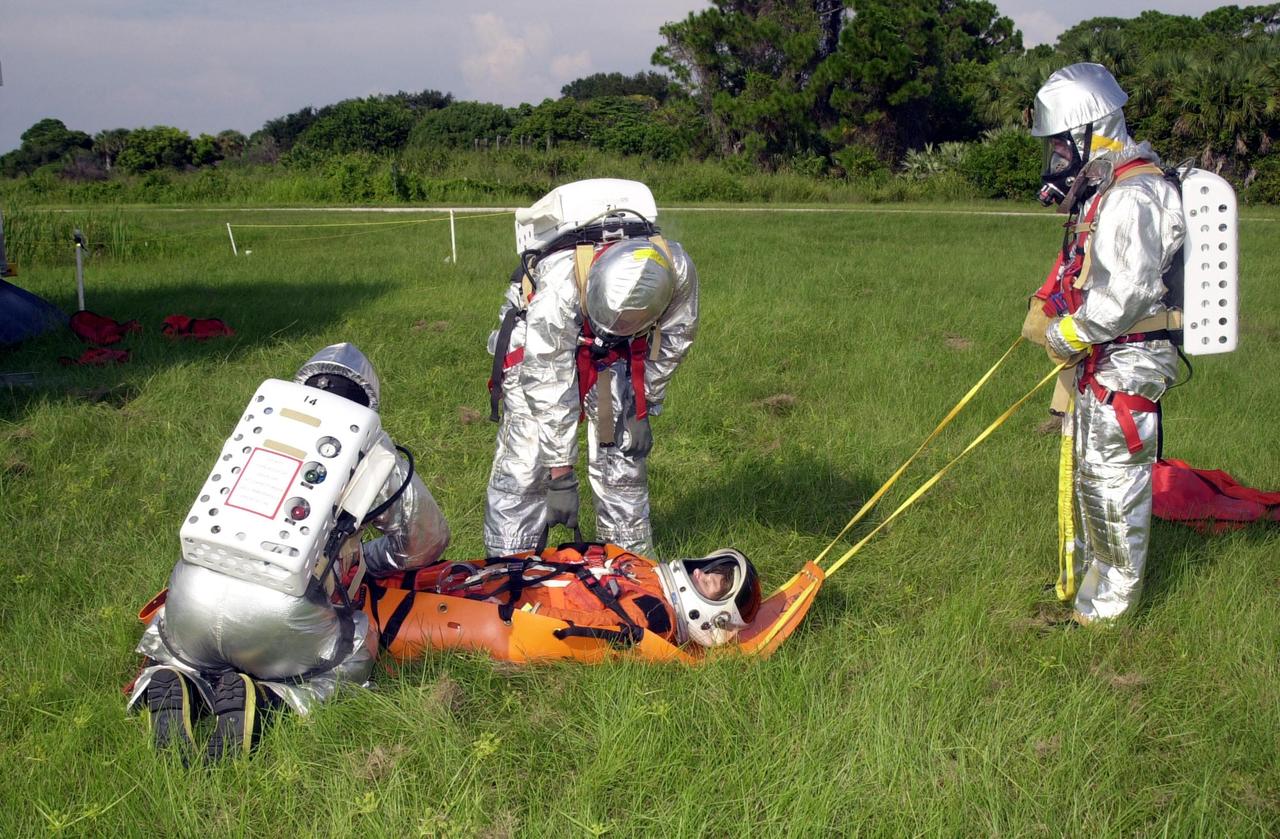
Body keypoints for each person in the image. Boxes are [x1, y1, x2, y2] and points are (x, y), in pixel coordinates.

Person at [127, 343, 450, 760]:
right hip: (283, 620)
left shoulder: (262, 423)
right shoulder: (379, 452)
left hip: (191, 599)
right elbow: (427, 541)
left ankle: (170, 678)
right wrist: (365, 560)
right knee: (354, 652)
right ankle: (269, 702)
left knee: (179, 649)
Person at [1024, 63, 1185, 624]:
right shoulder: (1114, 190)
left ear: (1092, 132)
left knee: (1114, 487)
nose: (1059, 161)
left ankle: (1108, 617)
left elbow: (1128, 296)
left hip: (1129, 363)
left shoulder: (1136, 196)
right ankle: (1091, 596)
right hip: (1107, 360)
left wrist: (1066, 334)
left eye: (1062, 147)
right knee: (1094, 481)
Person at [484, 180, 699, 557]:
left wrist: (643, 401)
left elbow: (675, 338)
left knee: (621, 461)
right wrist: (561, 474)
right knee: (525, 471)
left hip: (614, 359)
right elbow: (547, 377)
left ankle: (630, 575)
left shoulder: (676, 267)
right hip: (536, 351)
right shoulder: (561, 283)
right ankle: (510, 576)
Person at [375, 545, 762, 651]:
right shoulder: (647, 573)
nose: (702, 572)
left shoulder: (654, 615)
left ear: (713, 615)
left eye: (714, 582)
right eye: (714, 566)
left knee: (396, 612)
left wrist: (517, 611)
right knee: (426, 578)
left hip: (518, 601)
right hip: (524, 576)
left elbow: (587, 628)